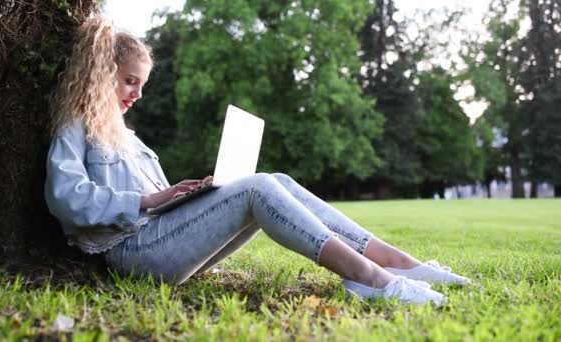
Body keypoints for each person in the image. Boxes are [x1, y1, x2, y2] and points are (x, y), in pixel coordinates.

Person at [45, 15, 470, 306]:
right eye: (130, 81)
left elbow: (158, 203)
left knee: (276, 179)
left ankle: (400, 264)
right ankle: (374, 280)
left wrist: (187, 196)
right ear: (103, 73)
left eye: (142, 84)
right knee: (258, 186)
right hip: (131, 253)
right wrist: (151, 201)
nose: (137, 93)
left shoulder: (131, 140)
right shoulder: (76, 124)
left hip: (160, 241)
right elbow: (65, 197)